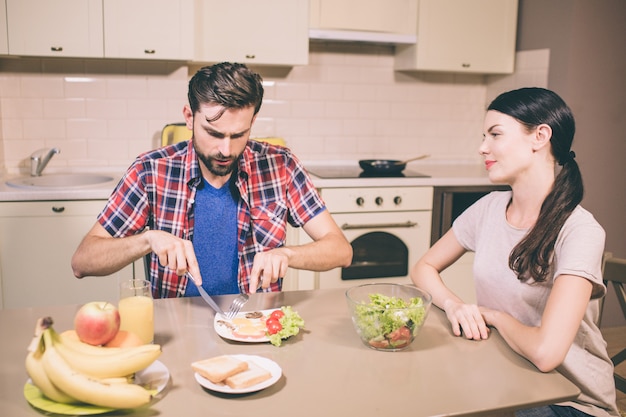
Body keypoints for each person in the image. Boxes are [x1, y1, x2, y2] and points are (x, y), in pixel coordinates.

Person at [410, 87, 619, 417]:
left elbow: (546, 354)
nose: (483, 148)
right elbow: (423, 267)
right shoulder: (489, 209)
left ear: (540, 136)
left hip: (568, 402)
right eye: (484, 136)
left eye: (495, 134)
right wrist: (454, 306)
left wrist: (491, 316)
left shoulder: (580, 232)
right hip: (502, 377)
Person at [72, 62, 352, 298]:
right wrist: (147, 240)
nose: (226, 150)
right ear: (189, 118)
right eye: (214, 134)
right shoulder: (151, 171)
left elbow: (341, 250)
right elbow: (83, 261)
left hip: (256, 325)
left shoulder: (281, 165)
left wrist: (288, 255)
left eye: (238, 134)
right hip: (176, 326)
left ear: (252, 123)